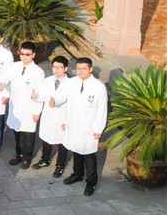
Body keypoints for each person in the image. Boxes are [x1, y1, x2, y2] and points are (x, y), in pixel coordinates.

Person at [51, 57, 107, 196]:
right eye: (78, 69)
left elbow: (102, 110)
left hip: (89, 127)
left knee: (89, 155)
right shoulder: (73, 82)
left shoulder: (99, 87)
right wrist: (55, 101)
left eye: (84, 69)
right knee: (76, 150)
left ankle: (91, 182)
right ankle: (77, 174)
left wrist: (99, 128)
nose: (80, 71)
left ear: (90, 69)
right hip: (73, 124)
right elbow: (64, 97)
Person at [7, 41, 45, 169]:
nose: (24, 57)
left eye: (27, 54)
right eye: (22, 53)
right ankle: (18, 154)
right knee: (17, 133)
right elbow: (7, 81)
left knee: (28, 135)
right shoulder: (14, 66)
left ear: (33, 55)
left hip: (29, 107)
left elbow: (40, 93)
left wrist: (37, 111)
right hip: (16, 106)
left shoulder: (38, 72)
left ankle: (27, 157)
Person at [32, 56, 70, 177]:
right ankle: (45, 160)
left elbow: (66, 98)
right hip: (48, 116)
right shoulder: (47, 80)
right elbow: (42, 97)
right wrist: (35, 97)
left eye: (60, 67)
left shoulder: (71, 84)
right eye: (54, 67)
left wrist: (55, 102)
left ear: (65, 68)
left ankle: (60, 165)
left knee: (62, 143)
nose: (56, 70)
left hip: (62, 117)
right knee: (46, 139)